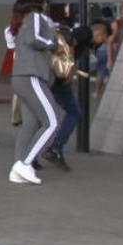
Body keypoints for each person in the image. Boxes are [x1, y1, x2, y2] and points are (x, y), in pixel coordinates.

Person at [9, 0, 61, 185]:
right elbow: (35, 39)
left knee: (30, 124)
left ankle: (19, 166)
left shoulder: (20, 19)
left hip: (20, 76)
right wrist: (53, 44)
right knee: (52, 121)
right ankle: (24, 164)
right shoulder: (36, 17)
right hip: (32, 75)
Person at [43, 25, 83, 171]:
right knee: (74, 112)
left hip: (43, 77)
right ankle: (55, 147)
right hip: (57, 80)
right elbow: (68, 64)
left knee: (40, 117)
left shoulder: (49, 32)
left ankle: (32, 155)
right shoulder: (65, 38)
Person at [90, 19, 113, 96]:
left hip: (102, 52)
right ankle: (98, 91)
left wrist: (109, 60)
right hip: (103, 52)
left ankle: (97, 91)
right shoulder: (108, 36)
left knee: (100, 73)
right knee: (103, 73)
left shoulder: (106, 39)